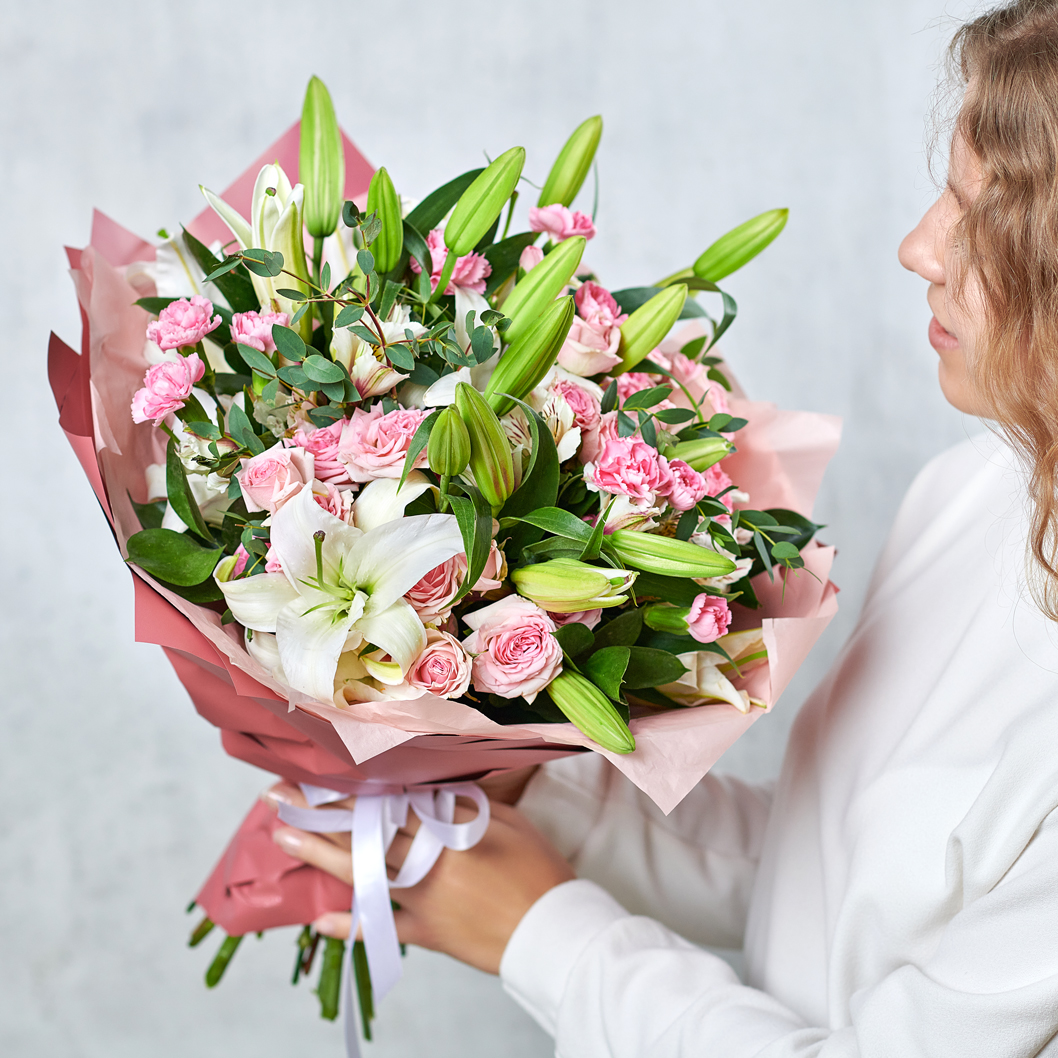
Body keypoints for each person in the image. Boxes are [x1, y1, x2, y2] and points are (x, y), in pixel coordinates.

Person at [266, 3, 1058, 1053]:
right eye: (942, 194)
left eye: (985, 218)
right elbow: (833, 873)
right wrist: (522, 771)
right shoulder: (977, 490)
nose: (918, 247)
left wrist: (544, 938)